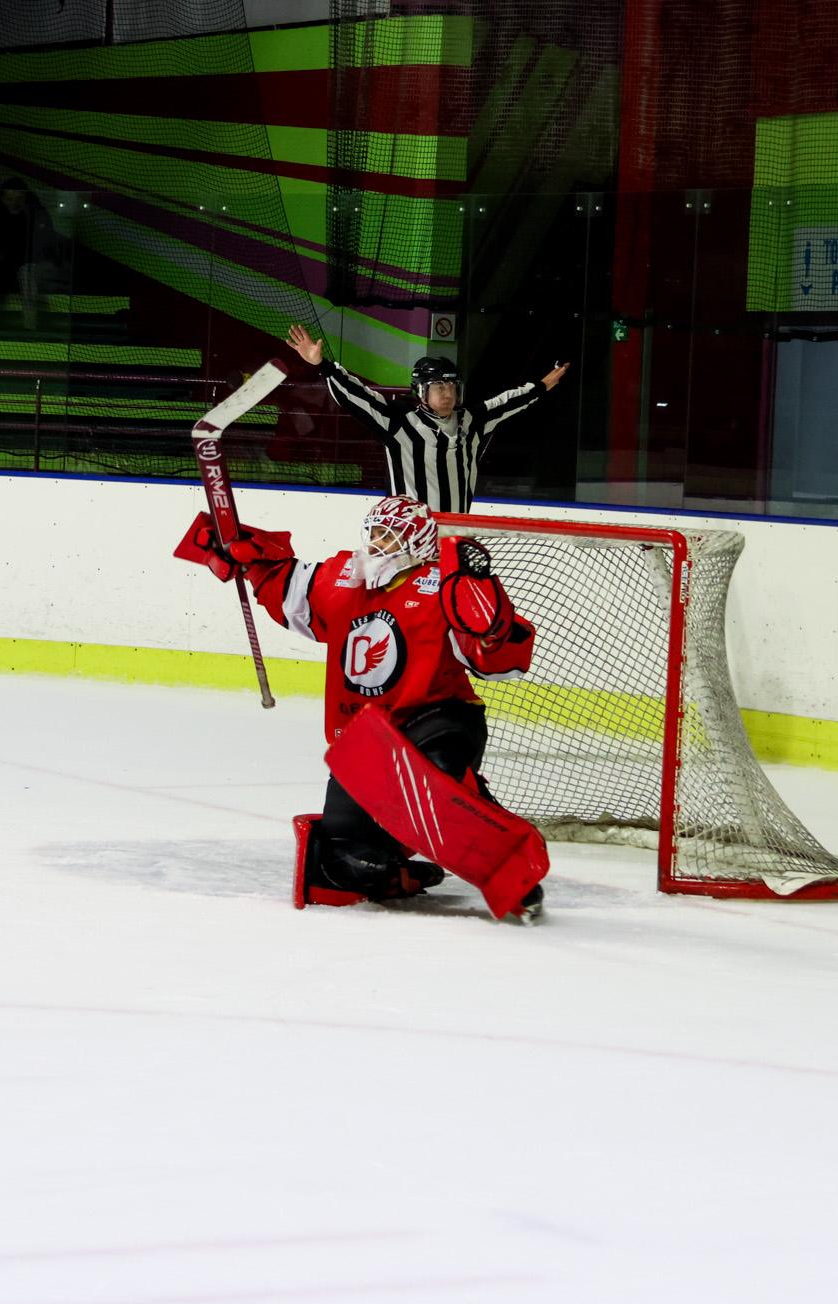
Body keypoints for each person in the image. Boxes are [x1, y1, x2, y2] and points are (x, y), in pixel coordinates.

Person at [175, 494, 547, 921]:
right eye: (373, 534)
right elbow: (288, 586)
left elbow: (497, 663)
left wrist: (489, 620)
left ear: (417, 543)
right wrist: (245, 555)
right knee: (340, 865)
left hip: (436, 719)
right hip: (366, 741)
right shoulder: (342, 576)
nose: (376, 545)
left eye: (388, 537)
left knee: (436, 785)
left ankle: (508, 862)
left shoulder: (443, 586)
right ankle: (396, 875)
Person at [284, 323, 569, 514]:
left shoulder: (472, 420)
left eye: (452, 387)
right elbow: (356, 395)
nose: (448, 394)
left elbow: (509, 401)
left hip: (454, 538)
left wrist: (542, 386)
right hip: (408, 539)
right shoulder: (399, 422)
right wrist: (323, 366)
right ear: (421, 391)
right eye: (439, 387)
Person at [0, 178, 60, 330]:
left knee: (27, 274)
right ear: (2, 198)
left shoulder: (36, 214)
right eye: (9, 199)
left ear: (25, 197)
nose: (14, 203)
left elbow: (45, 247)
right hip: (5, 266)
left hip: (31, 264)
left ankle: (30, 327)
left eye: (18, 199)